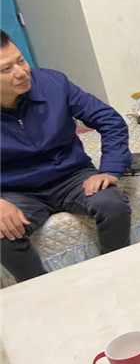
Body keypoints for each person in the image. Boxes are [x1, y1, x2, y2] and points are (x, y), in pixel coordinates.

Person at [0, 30, 132, 282]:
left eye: (21, 61)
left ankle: (115, 274)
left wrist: (110, 169)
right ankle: (42, 288)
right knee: (3, 234)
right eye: (6, 69)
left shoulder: (53, 83)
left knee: (112, 204)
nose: (21, 73)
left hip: (71, 175)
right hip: (15, 189)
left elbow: (109, 120)